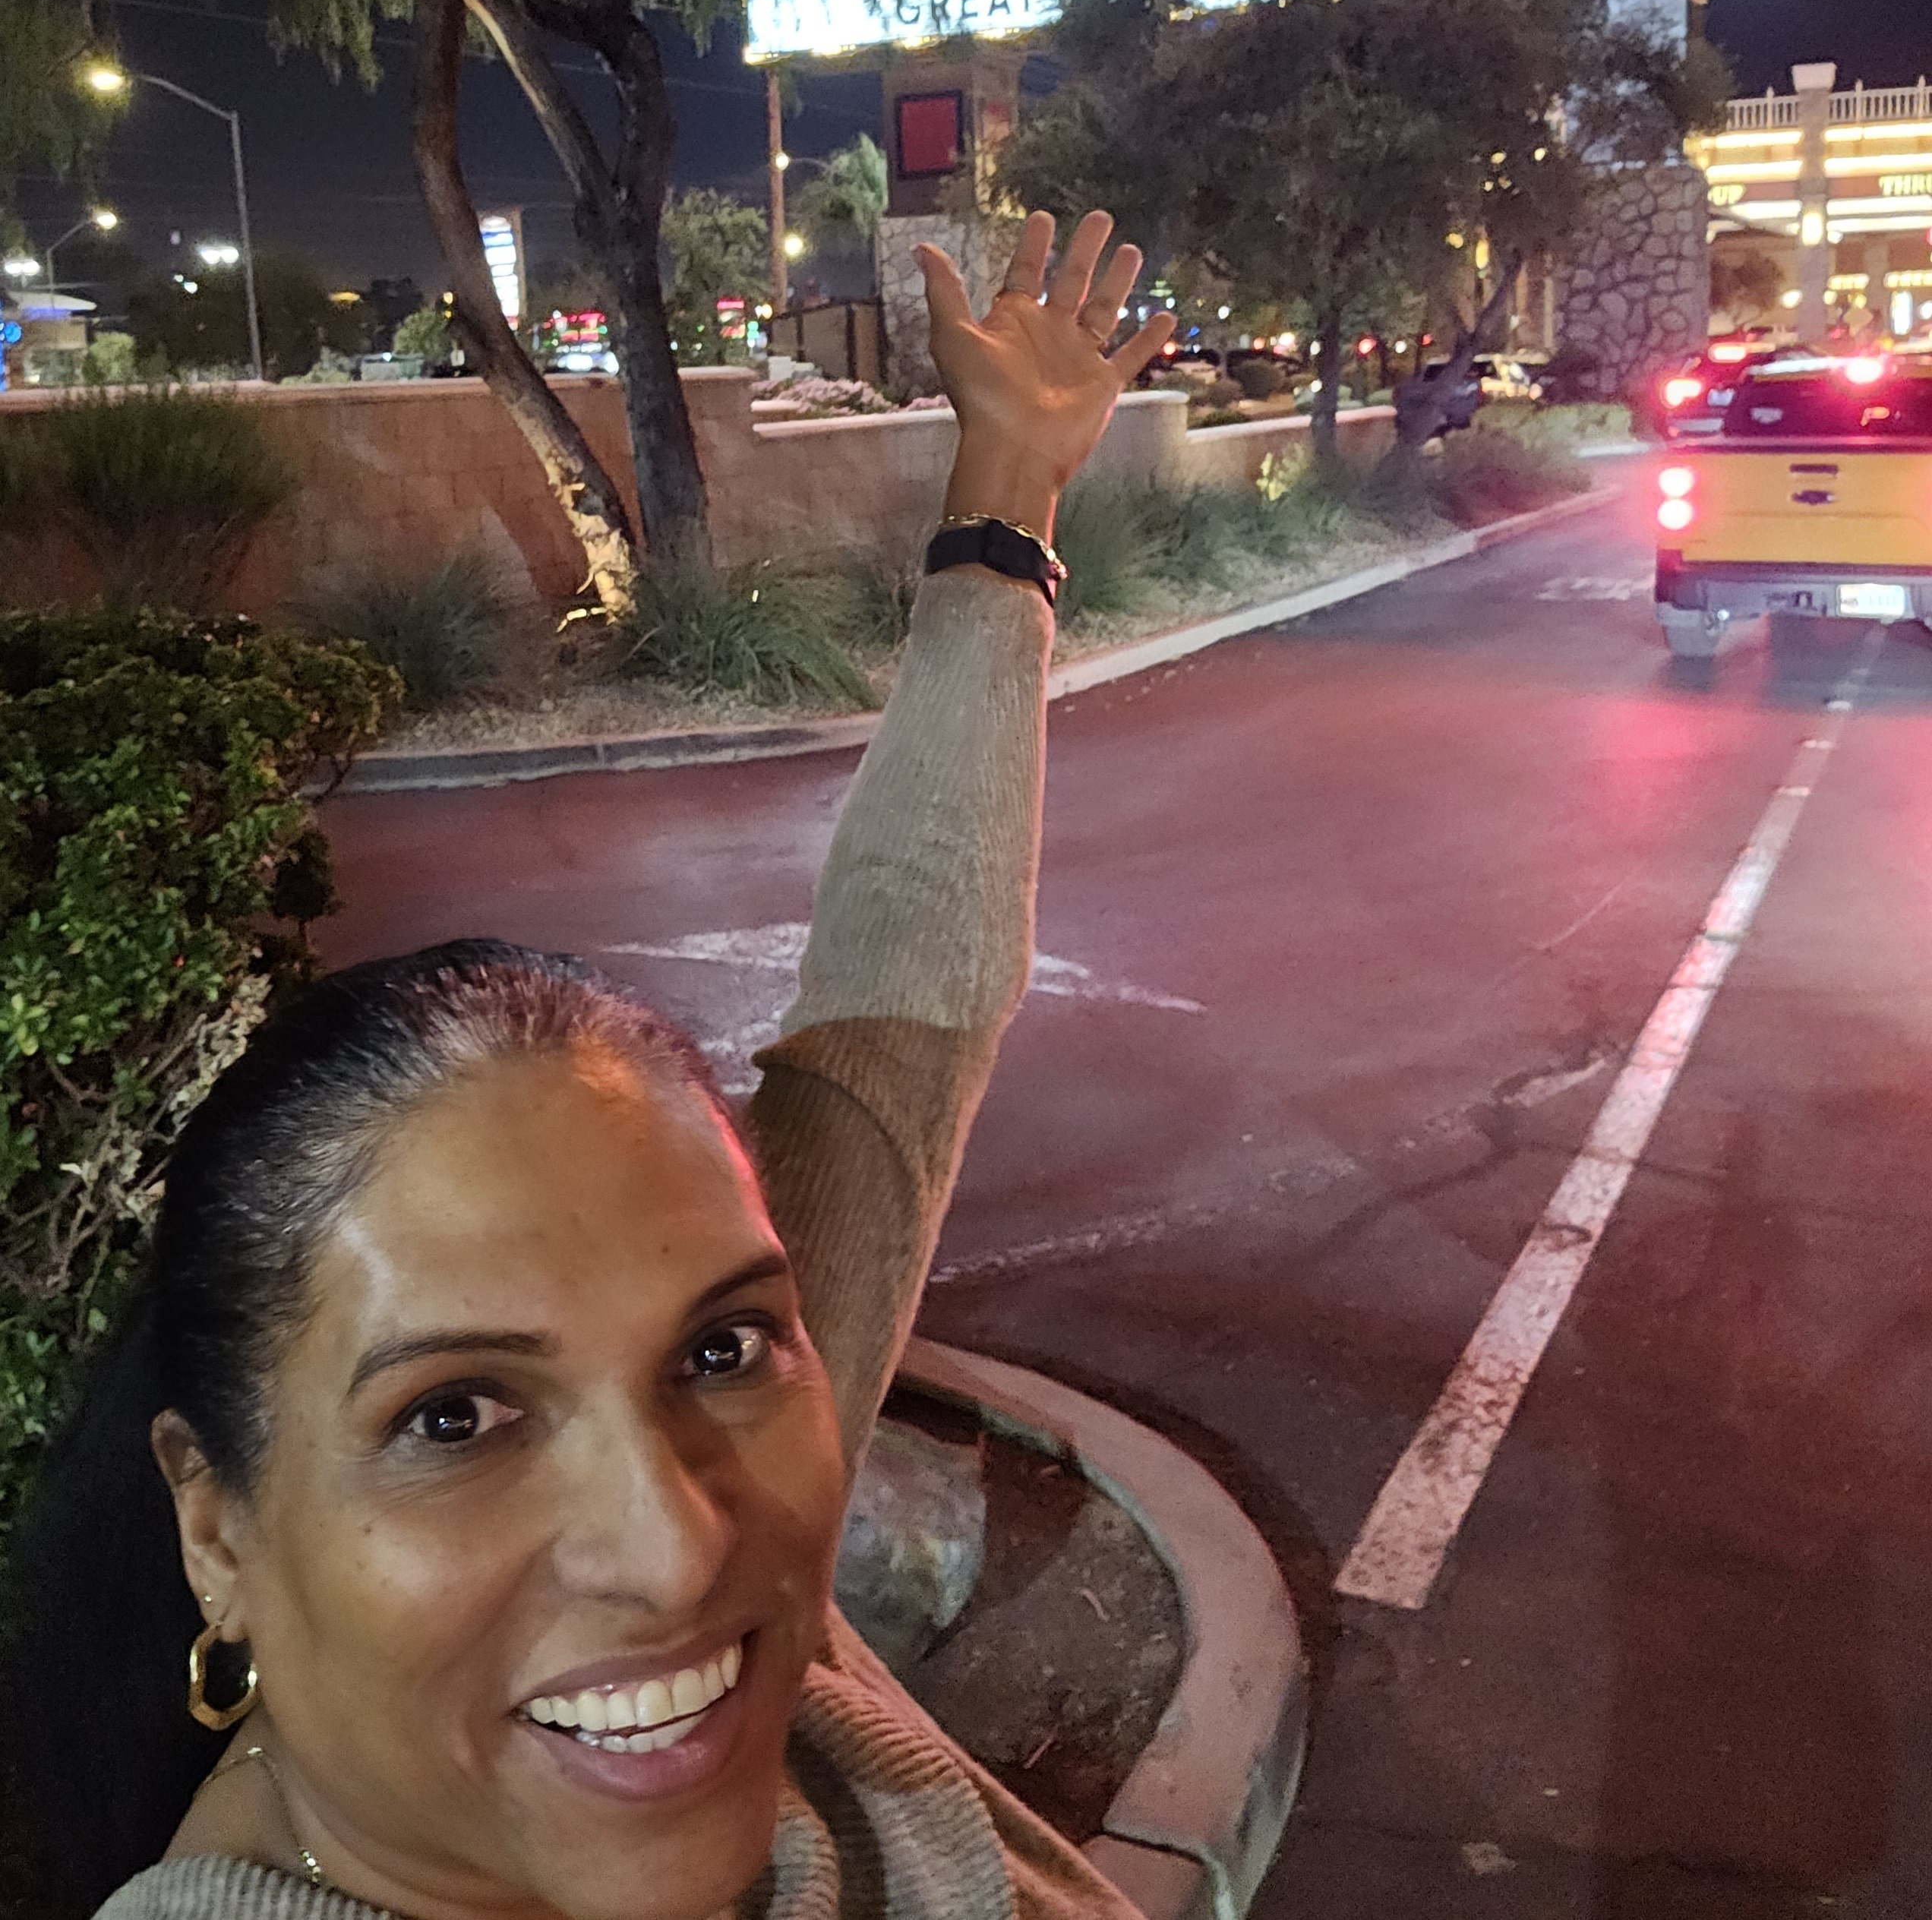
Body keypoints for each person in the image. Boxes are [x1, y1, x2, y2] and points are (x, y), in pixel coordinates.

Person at [1, 210, 1177, 1920]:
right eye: (454, 1416)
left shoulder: (709, 1600)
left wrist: (1006, 494)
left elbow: (908, 1002)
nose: (678, 1548)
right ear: (219, 1532)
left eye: (719, 1347)